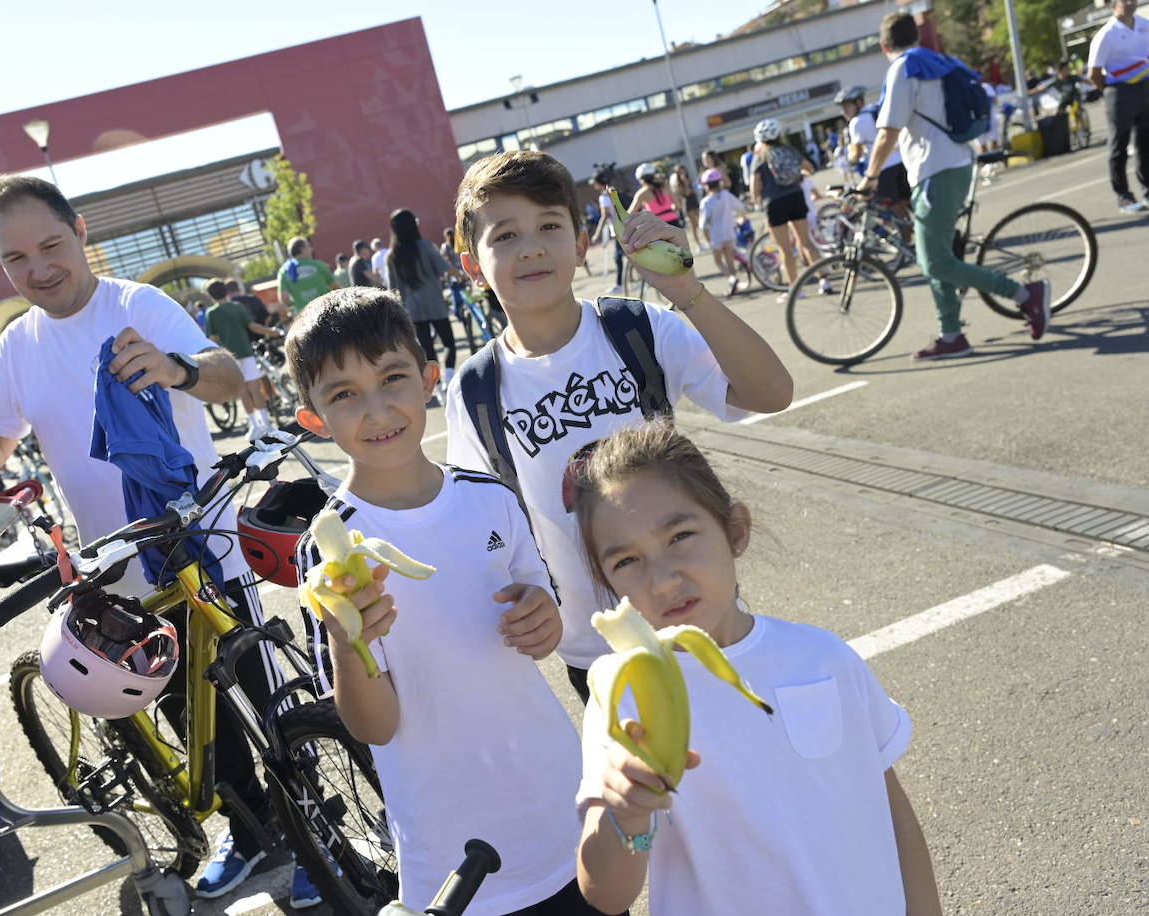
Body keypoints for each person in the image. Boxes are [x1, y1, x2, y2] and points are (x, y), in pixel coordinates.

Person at [0, 174, 323, 905]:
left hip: (200, 544)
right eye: (16, 258)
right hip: (116, 564)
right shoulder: (18, 345)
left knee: (258, 696)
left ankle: (317, 828)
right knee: (183, 713)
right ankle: (253, 834)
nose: (38, 268)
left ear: (79, 231)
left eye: (49, 245)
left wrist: (177, 369)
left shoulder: (137, 304)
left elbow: (231, 379)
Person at [286, 287, 594, 916]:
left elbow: (546, 617)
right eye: (344, 395)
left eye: (393, 378)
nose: (377, 411)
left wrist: (545, 614)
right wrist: (352, 644)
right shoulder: (331, 549)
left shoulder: (491, 498)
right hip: (451, 843)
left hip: (558, 796)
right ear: (313, 420)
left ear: (429, 379)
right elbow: (372, 726)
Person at [445, 150, 792, 704]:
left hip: (699, 621)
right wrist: (527, 599)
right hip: (597, 654)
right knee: (648, 792)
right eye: (505, 235)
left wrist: (686, 293)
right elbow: (482, 530)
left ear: (582, 245)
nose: (531, 246)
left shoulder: (637, 328)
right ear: (472, 266)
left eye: (550, 226)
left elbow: (771, 393)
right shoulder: (474, 390)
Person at [569, 423, 942, 916]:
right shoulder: (623, 694)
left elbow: (891, 812)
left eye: (680, 536)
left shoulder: (823, 657)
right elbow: (606, 893)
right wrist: (626, 815)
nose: (662, 580)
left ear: (736, 530)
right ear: (606, 581)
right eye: (627, 562)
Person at [864, 11, 1051, 359]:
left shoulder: (902, 68)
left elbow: (888, 130)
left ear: (883, 45)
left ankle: (1026, 296)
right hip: (952, 164)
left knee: (935, 263)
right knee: (937, 257)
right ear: (916, 38)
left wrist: (869, 178)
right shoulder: (935, 60)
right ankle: (951, 334)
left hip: (936, 171)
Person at [385, 208, 460, 402]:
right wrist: (462, 275)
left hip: (412, 310)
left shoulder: (392, 257)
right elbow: (446, 269)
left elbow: (393, 289)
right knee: (449, 343)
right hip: (435, 303)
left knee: (427, 351)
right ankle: (449, 380)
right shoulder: (426, 246)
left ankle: (438, 388)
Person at [749, 118, 828, 303]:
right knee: (806, 242)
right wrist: (798, 177)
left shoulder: (759, 157)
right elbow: (810, 169)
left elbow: (755, 187)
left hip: (774, 203)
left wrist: (757, 201)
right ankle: (824, 281)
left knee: (785, 250)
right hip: (796, 196)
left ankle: (796, 289)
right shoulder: (790, 150)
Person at [1089, 0, 1149, 213]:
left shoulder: (1145, 24)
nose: (1131, 3)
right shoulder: (1106, 34)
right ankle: (1124, 196)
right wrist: (1109, 91)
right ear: (1113, 5)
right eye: (1125, 0)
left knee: (1145, 142)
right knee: (1119, 145)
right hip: (1118, 92)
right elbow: (1094, 72)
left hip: (1144, 88)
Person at [837, 84, 914, 241]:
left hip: (883, 168)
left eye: (847, 106)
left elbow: (856, 154)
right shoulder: (878, 110)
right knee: (907, 202)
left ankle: (906, 242)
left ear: (858, 102)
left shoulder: (857, 122)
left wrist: (849, 159)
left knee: (891, 207)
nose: (843, 111)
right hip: (902, 162)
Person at [205, 279, 275, 439]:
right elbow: (253, 327)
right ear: (226, 291)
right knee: (255, 390)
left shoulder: (211, 313)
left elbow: (213, 338)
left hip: (229, 358)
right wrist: (272, 332)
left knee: (242, 392)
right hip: (246, 352)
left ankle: (255, 426)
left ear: (210, 296)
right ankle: (267, 424)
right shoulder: (237, 307)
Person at [697, 169, 747, 297]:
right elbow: (741, 207)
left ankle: (731, 279)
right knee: (730, 259)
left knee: (719, 261)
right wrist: (741, 219)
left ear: (706, 185)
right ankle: (734, 280)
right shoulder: (726, 194)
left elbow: (703, 225)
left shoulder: (706, 202)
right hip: (729, 233)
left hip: (716, 237)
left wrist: (708, 240)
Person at [276, 237, 336, 319]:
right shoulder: (319, 265)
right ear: (302, 249)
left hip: (303, 317)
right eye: (309, 246)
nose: (311, 249)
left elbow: (284, 298)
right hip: (327, 312)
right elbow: (336, 287)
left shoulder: (284, 271)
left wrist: (297, 304)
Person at [589, 168, 626, 294]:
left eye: (595, 183)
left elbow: (604, 216)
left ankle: (620, 284)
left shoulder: (604, 197)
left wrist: (596, 234)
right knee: (625, 256)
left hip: (618, 229)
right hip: (627, 225)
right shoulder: (616, 191)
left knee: (618, 257)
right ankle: (625, 282)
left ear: (599, 183)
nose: (594, 186)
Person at [628, 163, 684, 228]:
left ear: (641, 180)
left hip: (657, 225)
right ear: (654, 175)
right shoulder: (666, 187)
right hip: (674, 222)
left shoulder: (642, 193)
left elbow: (631, 212)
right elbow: (678, 205)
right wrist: (668, 209)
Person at [669, 163, 706, 252]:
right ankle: (698, 244)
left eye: (683, 169)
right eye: (680, 171)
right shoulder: (678, 183)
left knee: (700, 223)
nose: (682, 172)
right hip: (687, 205)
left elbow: (696, 190)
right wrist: (685, 183)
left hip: (695, 202)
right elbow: (687, 193)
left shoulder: (690, 179)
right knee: (693, 225)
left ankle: (704, 241)